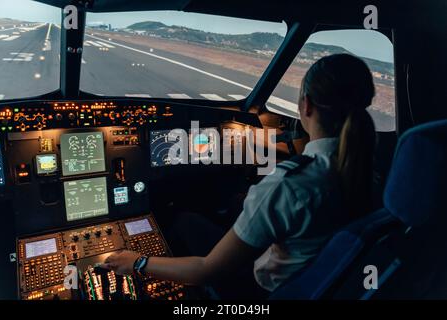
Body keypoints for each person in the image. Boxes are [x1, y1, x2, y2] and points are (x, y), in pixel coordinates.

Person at [101, 54, 376, 297]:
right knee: (232, 202)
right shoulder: (368, 172)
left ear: (306, 106)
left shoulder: (289, 185)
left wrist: (136, 262)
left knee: (184, 221)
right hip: (317, 280)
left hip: (261, 288)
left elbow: (206, 269)